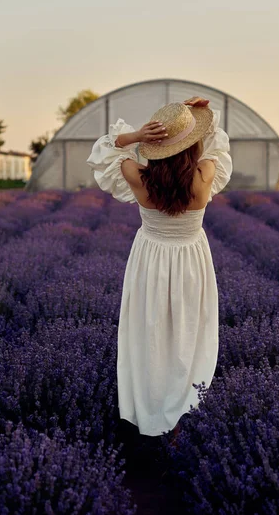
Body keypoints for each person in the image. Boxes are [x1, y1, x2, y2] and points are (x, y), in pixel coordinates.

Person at [86, 96, 233, 440]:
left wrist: (138, 135)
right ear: (190, 146)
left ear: (155, 149)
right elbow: (215, 141)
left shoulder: (138, 176)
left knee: (149, 334)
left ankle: (151, 409)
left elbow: (106, 149)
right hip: (191, 260)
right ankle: (181, 413)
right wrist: (195, 117)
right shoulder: (204, 175)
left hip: (150, 259)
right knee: (188, 336)